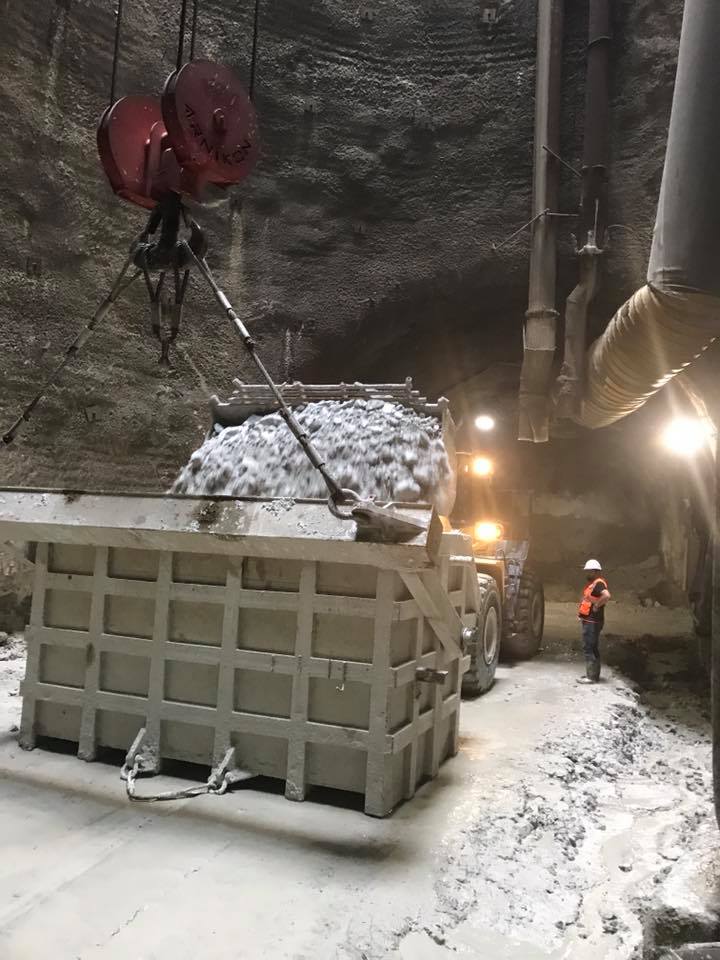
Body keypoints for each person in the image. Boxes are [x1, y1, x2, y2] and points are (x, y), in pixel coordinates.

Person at [577, 559, 611, 684]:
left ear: (594, 571)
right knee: (592, 647)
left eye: (588, 571)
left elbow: (606, 596)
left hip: (593, 622)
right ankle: (593, 675)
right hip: (590, 620)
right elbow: (587, 600)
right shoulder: (594, 584)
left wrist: (597, 605)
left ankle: (591, 677)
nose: (586, 574)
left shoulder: (598, 583)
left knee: (589, 647)